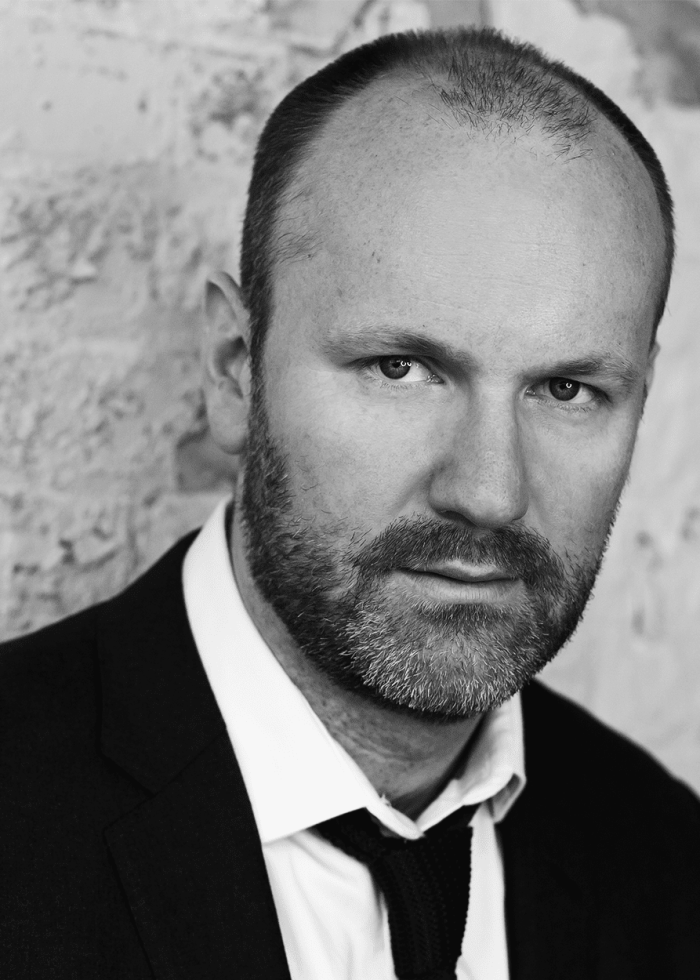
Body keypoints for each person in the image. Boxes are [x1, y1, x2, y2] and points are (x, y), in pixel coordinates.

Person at [1, 25, 698, 980]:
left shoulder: (666, 859)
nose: (490, 492)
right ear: (234, 369)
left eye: (568, 390)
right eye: (401, 368)